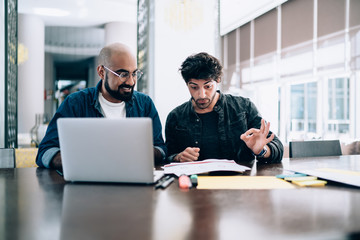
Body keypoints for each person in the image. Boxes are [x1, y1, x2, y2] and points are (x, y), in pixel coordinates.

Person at [36, 42, 167, 169]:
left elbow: (161, 149)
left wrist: (136, 154)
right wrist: (73, 160)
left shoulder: (145, 104)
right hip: (87, 184)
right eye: (123, 74)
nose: (131, 81)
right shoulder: (75, 103)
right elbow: (45, 151)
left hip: (133, 182)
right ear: (102, 72)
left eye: (134, 73)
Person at [165, 52, 283, 163]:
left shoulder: (243, 107)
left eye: (208, 86)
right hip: (194, 183)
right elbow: (167, 156)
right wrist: (178, 157)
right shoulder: (175, 117)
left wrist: (261, 150)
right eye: (194, 87)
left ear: (218, 80)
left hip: (239, 182)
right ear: (187, 84)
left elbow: (277, 147)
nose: (201, 94)